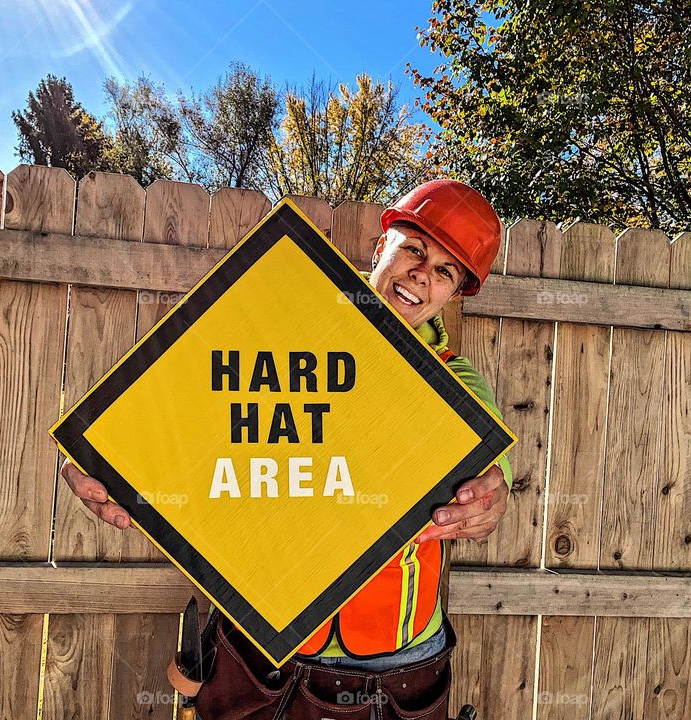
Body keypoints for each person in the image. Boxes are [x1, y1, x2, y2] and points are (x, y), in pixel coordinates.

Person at [60, 178, 513, 714]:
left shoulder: (460, 390)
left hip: (396, 661)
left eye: (445, 270)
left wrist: (491, 500)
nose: (422, 273)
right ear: (381, 246)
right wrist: (101, 462)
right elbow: (179, 420)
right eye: (414, 248)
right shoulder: (282, 345)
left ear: (454, 293)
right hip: (261, 646)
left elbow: (492, 481)